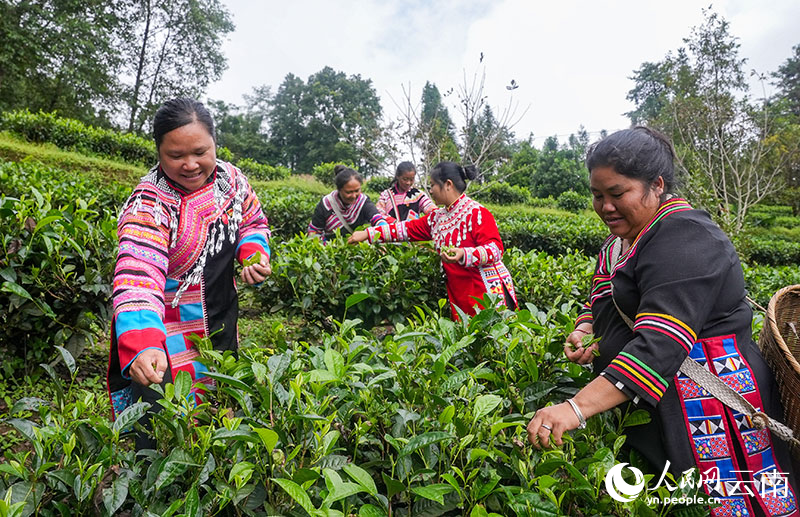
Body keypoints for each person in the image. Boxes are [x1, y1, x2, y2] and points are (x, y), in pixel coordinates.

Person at [526, 127, 798, 516]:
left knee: (728, 503)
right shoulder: (625, 237)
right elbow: (608, 295)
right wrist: (587, 328)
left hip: (708, 403)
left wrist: (575, 409)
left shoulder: (686, 237)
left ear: (656, 185)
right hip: (656, 397)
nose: (605, 206)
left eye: (617, 194)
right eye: (597, 195)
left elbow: (661, 343)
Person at [106, 98, 271, 447]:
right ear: (158, 151)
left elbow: (253, 221)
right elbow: (138, 272)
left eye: (201, 151)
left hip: (221, 310)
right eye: (175, 155)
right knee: (162, 416)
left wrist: (252, 252)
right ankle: (157, 490)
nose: (191, 164)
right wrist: (142, 341)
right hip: (163, 326)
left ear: (215, 143)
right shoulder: (149, 204)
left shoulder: (231, 180)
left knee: (222, 402)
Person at [348, 161, 517, 319]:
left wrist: (464, 253)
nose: (431, 191)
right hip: (461, 293)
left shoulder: (477, 213)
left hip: (487, 291)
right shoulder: (436, 218)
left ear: (448, 185)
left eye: (433, 186)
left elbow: (495, 249)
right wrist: (368, 234)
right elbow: (404, 229)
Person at [307, 164, 386, 242]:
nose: (354, 196)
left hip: (360, 251)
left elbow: (378, 220)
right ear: (339, 189)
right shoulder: (326, 205)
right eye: (349, 192)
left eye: (357, 191)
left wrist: (383, 231)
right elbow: (315, 232)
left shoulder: (363, 202)